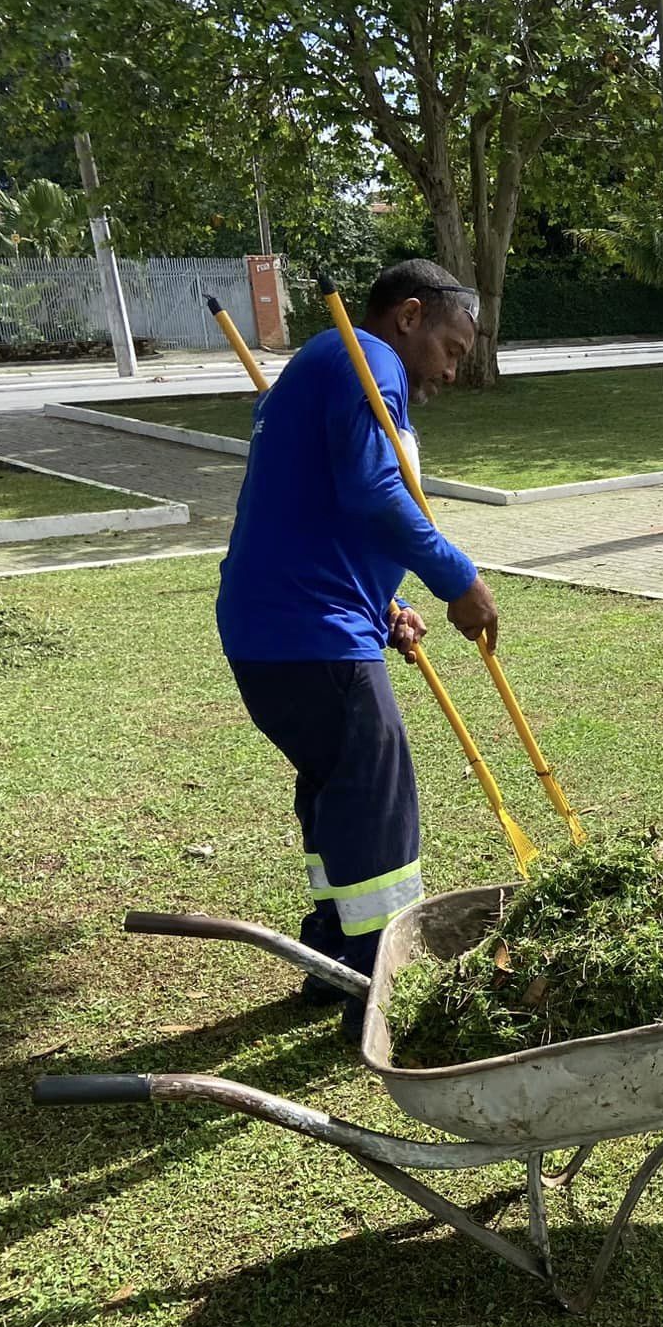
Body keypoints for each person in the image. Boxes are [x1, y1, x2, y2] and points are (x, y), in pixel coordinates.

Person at [214, 258, 499, 1036]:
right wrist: (456, 579)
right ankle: (380, 988)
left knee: (337, 789)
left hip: (280, 629)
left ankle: (332, 956)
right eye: (449, 348)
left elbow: (320, 507)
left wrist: (387, 600)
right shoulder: (365, 358)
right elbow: (374, 494)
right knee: (376, 802)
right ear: (409, 315)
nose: (448, 371)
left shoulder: (326, 361)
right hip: (310, 631)